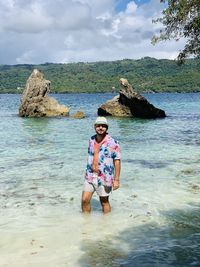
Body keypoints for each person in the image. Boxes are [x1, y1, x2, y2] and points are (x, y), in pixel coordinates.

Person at [81, 116, 121, 213]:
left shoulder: (113, 143)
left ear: (106, 128)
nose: (100, 128)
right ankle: (86, 225)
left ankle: (106, 224)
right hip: (90, 176)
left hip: (104, 177)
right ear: (95, 127)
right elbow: (91, 156)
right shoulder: (91, 140)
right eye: (98, 126)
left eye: (103, 126)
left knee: (104, 202)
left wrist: (116, 180)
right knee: (84, 200)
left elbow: (117, 161)